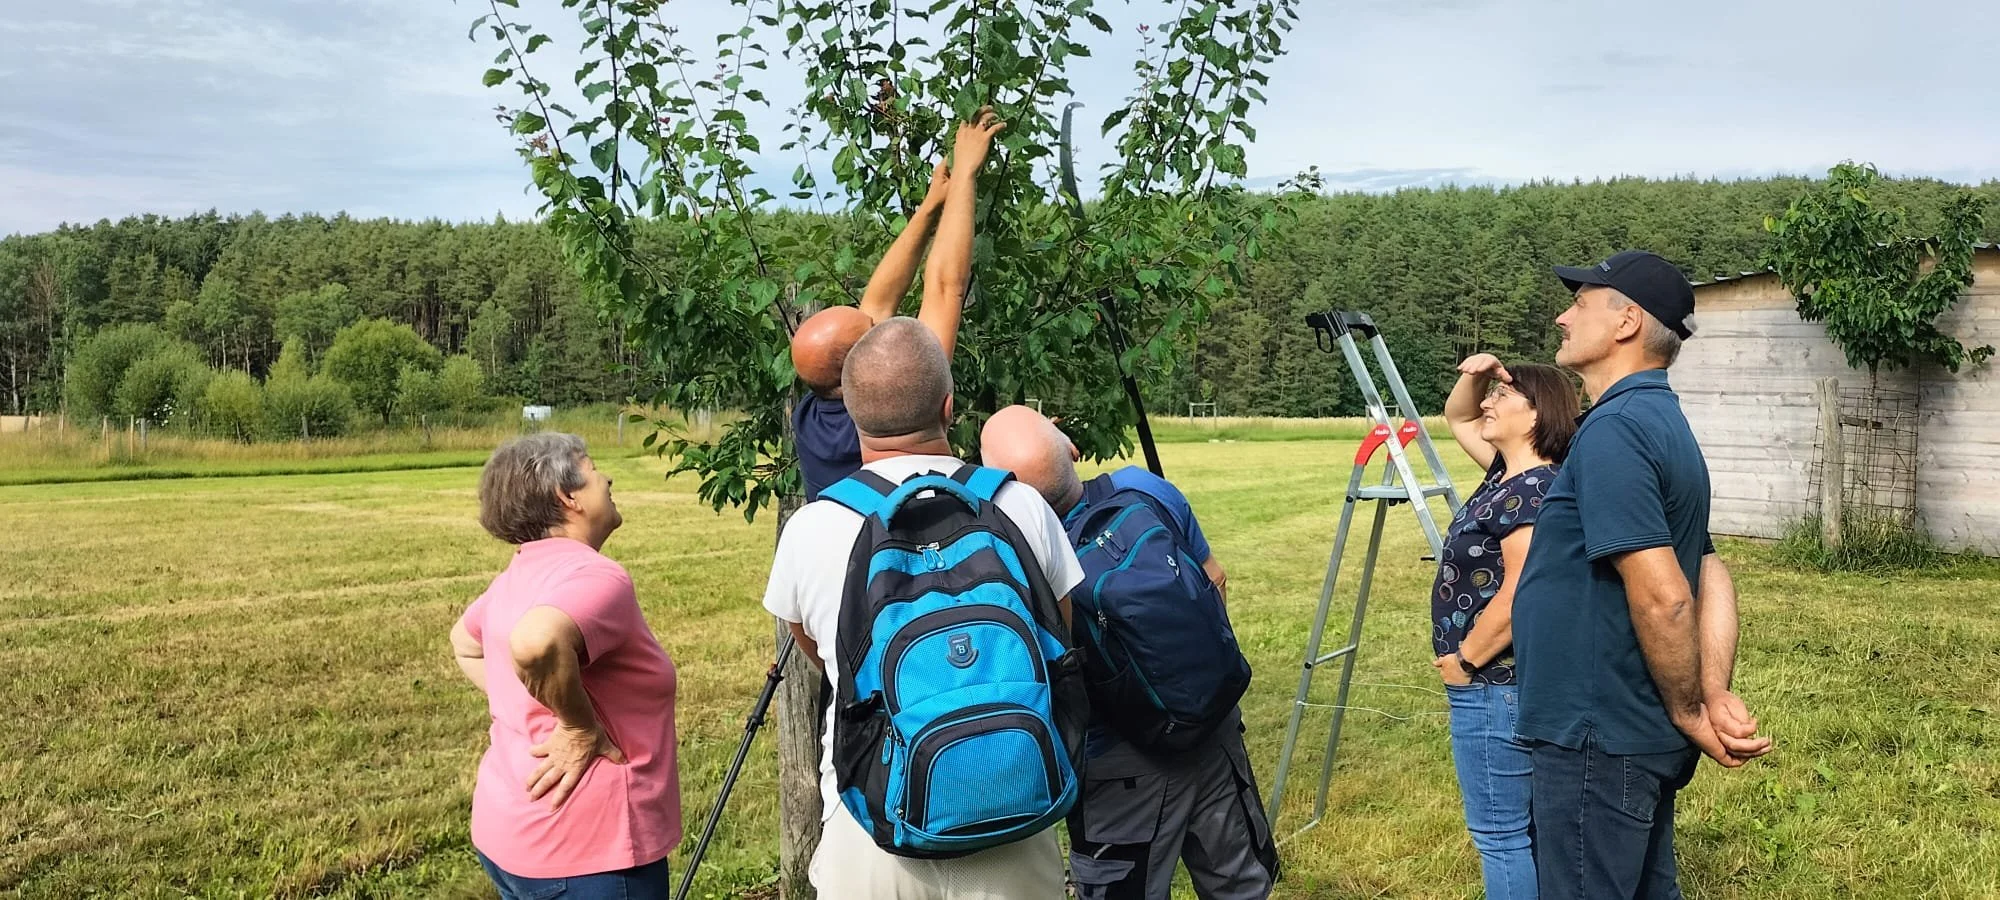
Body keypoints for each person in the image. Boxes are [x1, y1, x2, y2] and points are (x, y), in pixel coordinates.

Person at [761, 319, 1084, 897]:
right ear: (949, 406)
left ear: (852, 415)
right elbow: (1060, 633)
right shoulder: (1021, 504)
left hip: (874, 818)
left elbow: (822, 654)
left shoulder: (812, 528)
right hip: (1015, 804)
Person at [1512, 250, 1773, 899]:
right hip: (1628, 734)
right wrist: (1709, 692)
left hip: (1597, 738)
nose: (1562, 316)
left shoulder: (1617, 431)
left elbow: (1667, 598)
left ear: (1626, 321)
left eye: (1580, 303)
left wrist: (1691, 708)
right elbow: (1708, 569)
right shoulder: (1661, 420)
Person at [981, 405, 1279, 900]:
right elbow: (1215, 577)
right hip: (1215, 726)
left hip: (1118, 765)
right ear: (1072, 449)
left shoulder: (1020, 554)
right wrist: (1190, 680)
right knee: (1239, 885)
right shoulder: (1144, 488)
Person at [449, 433, 681, 899]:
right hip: (592, 851)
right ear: (568, 497)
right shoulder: (595, 574)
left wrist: (531, 705)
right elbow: (537, 641)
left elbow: (465, 644)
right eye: (593, 469)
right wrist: (576, 726)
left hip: (509, 835)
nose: (607, 479)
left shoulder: (516, 575)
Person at [788, 108, 1005, 501]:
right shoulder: (895, 398)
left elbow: (879, 301)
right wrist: (966, 176)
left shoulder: (813, 414)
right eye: (871, 330)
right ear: (859, 368)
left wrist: (931, 206)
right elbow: (945, 288)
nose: (876, 320)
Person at [1429, 356, 1582, 900]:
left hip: (1495, 683)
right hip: (1507, 683)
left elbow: (1522, 591)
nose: (1488, 402)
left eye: (1502, 395)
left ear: (1537, 414)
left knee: (1500, 834)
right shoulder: (1507, 474)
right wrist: (1478, 374)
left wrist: (1466, 660)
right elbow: (1458, 416)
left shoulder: (1533, 490)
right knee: (1525, 829)